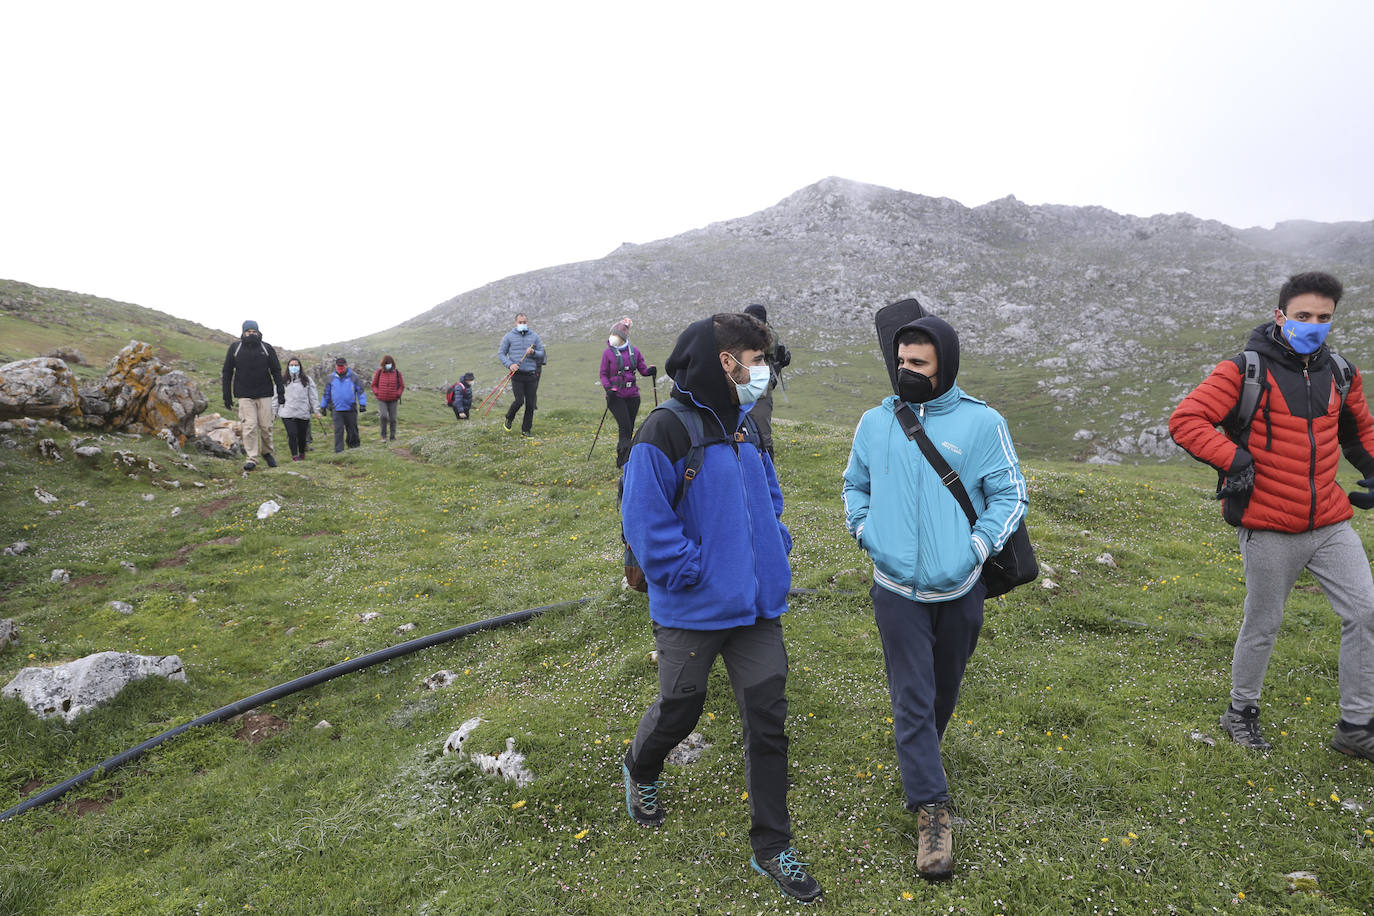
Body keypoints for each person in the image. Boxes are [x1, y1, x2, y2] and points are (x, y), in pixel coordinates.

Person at [620, 312, 822, 904]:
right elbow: (645, 520)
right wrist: (693, 573)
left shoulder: (748, 422)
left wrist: (775, 544)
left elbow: (771, 491)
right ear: (723, 361)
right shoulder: (664, 430)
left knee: (768, 718)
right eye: (753, 360)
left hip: (757, 608)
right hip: (693, 609)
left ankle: (771, 847)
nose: (762, 371)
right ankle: (641, 768)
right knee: (681, 705)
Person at [841, 314, 1027, 881]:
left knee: (941, 692)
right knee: (913, 698)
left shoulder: (981, 422)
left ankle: (919, 753)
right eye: (901, 363)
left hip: (960, 587)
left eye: (918, 364)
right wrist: (864, 529)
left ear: (944, 364)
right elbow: (855, 484)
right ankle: (932, 811)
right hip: (895, 588)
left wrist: (977, 544)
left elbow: (1010, 494)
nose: (907, 373)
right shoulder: (875, 422)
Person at [1169, 271, 1374, 763]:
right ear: (1281, 315)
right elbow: (1186, 420)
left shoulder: (1341, 372)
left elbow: (1359, 431)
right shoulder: (1244, 369)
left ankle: (1356, 726)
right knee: (1264, 621)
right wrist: (1234, 460)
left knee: (1366, 613)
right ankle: (1240, 711)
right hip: (1267, 523)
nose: (1314, 325)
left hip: (1330, 522)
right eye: (1303, 316)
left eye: (1324, 318)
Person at [221, 319, 286, 471]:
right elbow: (227, 372)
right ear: (243, 332)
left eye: (254, 331)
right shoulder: (235, 348)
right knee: (249, 426)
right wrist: (227, 395)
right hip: (244, 394)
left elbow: (276, 370)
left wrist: (281, 391)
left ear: (258, 332)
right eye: (248, 331)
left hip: (265, 393)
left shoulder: (267, 348)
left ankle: (267, 452)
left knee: (266, 426)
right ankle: (251, 458)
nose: (251, 334)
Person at [599, 317, 655, 467]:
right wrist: (608, 388)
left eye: (615, 335)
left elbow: (643, 370)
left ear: (622, 337)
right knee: (624, 426)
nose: (612, 337)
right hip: (615, 396)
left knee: (628, 428)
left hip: (633, 396)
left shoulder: (634, 352)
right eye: (612, 334)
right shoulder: (607, 354)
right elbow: (603, 374)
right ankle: (624, 460)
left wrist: (650, 371)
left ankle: (623, 458)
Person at [742, 304, 791, 458]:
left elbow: (765, 345)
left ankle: (766, 471)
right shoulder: (738, 334)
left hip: (760, 392)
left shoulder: (768, 335)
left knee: (763, 435)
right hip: (739, 389)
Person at [497, 312, 545, 437]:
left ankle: (526, 430)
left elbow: (542, 353)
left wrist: (533, 352)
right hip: (517, 374)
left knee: (530, 404)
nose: (522, 324)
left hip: (532, 374)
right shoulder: (508, 336)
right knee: (519, 401)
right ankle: (509, 418)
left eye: (524, 322)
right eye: (520, 322)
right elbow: (501, 353)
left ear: (527, 323)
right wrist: (510, 364)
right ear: (515, 323)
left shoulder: (534, 336)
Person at [319, 357, 366, 453]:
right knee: (338, 431)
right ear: (335, 366)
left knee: (352, 430)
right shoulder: (331, 378)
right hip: (336, 409)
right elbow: (326, 393)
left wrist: (362, 404)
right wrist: (323, 406)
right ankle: (339, 451)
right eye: (338, 366)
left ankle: (354, 448)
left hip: (350, 408)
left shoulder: (353, 377)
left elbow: (360, 391)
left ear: (346, 365)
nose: (340, 368)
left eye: (342, 366)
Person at [277, 357, 318, 461]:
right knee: (292, 434)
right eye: (291, 365)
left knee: (302, 435)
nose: (294, 367)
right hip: (287, 412)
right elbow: (276, 396)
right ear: (288, 367)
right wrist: (273, 411)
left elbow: (313, 396)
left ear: (300, 366)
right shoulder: (282, 380)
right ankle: (294, 456)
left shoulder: (307, 380)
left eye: (296, 365)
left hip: (303, 412)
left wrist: (316, 410)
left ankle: (302, 453)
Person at [371, 355, 405, 442]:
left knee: (393, 419)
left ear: (392, 363)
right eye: (386, 363)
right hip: (382, 399)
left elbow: (402, 385)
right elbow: (373, 385)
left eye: (389, 363)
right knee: (383, 416)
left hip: (393, 400)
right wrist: (377, 393)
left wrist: (398, 394)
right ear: (383, 364)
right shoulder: (379, 372)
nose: (388, 365)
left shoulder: (397, 373)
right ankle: (383, 436)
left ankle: (392, 437)